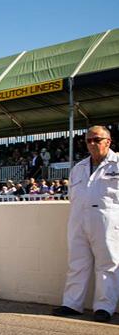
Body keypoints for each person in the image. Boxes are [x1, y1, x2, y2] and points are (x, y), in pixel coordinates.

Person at [52, 126, 118, 323]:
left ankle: (104, 307)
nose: (92, 144)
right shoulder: (78, 167)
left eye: (96, 139)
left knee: (108, 263)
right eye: (88, 140)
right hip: (79, 219)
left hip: (107, 220)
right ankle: (72, 303)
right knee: (77, 262)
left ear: (108, 141)